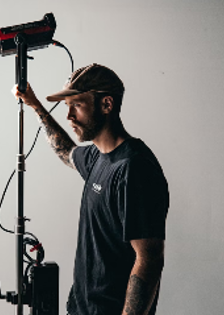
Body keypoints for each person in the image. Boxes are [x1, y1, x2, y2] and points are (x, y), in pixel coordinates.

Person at [12, 63, 169, 315]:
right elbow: (67, 151)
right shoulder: (98, 157)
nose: (69, 116)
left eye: (77, 105)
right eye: (67, 106)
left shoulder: (134, 168)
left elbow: (149, 259)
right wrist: (36, 106)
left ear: (107, 105)